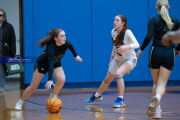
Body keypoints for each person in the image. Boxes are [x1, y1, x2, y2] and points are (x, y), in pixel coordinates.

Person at [15, 28, 83, 110]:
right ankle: (21, 101)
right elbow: (50, 63)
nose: (64, 37)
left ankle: (53, 96)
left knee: (61, 79)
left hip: (56, 63)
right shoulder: (51, 47)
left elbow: (71, 46)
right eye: (62, 36)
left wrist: (75, 55)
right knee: (33, 86)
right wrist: (50, 79)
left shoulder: (66, 43)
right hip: (43, 63)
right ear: (55, 38)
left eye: (65, 35)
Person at [136, 0, 180, 118]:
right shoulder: (175, 20)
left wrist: (140, 50)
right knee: (162, 84)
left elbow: (148, 36)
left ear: (157, 7)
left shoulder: (153, 20)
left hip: (155, 51)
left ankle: (157, 112)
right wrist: (178, 49)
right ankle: (158, 98)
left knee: (155, 82)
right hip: (169, 51)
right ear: (168, 7)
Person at [85, 15, 139, 107]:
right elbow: (115, 46)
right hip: (117, 59)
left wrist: (126, 47)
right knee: (107, 79)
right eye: (114, 20)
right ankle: (97, 96)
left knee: (118, 73)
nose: (114, 22)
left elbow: (137, 44)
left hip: (130, 59)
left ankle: (121, 99)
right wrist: (112, 57)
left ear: (123, 23)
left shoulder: (127, 32)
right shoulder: (113, 32)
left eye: (117, 20)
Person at [0, 9, 16, 92]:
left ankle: (1, 86)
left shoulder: (9, 26)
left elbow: (12, 40)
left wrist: (13, 53)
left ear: (4, 16)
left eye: (0, 15)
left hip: (4, 51)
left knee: (1, 68)